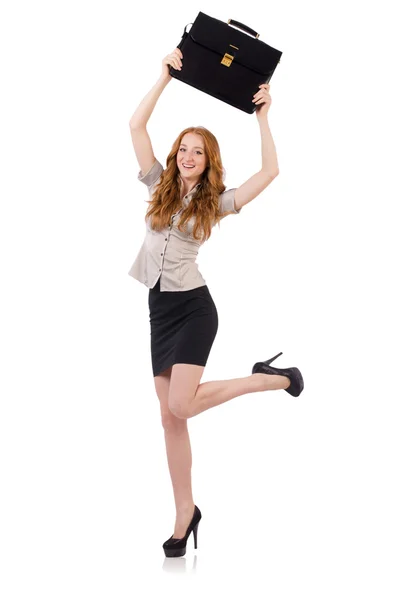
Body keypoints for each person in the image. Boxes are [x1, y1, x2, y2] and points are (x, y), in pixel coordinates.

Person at [128, 47, 304, 558]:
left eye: (197, 152)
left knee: (181, 403)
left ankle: (271, 379)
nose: (186, 156)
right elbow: (136, 128)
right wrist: (162, 77)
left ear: (208, 162)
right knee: (169, 417)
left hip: (194, 309)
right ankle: (185, 512)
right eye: (183, 148)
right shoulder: (158, 185)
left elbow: (270, 172)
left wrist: (263, 117)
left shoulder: (217, 201)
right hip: (158, 310)